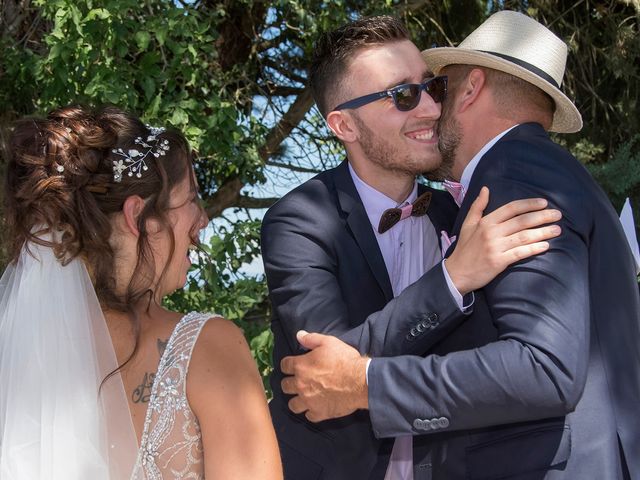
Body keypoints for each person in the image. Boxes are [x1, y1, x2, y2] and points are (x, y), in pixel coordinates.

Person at [280, 11, 640, 479]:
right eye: (407, 95)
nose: (430, 108)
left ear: (470, 89)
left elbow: (545, 368)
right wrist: (453, 279)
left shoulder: (512, 176)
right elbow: (322, 367)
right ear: (342, 125)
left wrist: (367, 383)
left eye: (435, 89)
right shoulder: (306, 219)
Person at [0, 105, 283, 479]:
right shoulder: (209, 348)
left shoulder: (15, 348)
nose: (203, 219)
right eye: (191, 199)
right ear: (139, 218)